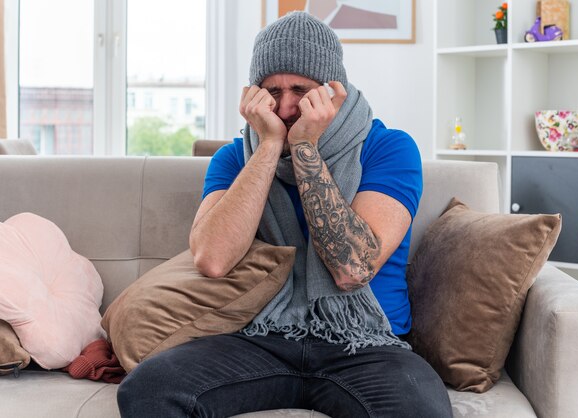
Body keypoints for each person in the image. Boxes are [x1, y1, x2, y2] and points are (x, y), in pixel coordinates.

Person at [117, 11, 452, 418]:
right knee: (148, 391)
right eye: (271, 90)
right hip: (261, 335)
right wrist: (270, 145)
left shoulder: (389, 148)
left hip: (365, 343)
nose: (286, 105)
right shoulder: (234, 159)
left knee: (422, 412)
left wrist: (306, 149)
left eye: (300, 89)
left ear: (333, 91)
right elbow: (213, 258)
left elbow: (353, 268)